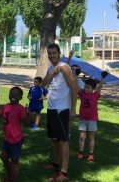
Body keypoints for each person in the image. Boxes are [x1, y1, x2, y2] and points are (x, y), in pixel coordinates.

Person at [41, 43, 78, 182]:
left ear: (59, 53)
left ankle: (64, 172)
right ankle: (56, 163)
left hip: (61, 109)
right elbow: (43, 84)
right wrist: (52, 74)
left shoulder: (64, 67)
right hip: (51, 108)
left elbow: (74, 89)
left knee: (63, 140)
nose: (51, 56)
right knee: (55, 139)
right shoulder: (51, 68)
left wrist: (73, 109)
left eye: (54, 53)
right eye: (49, 53)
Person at [0, 87, 30, 182]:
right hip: (7, 139)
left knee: (14, 163)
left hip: (16, 140)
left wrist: (28, 114)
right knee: (4, 157)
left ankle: (13, 179)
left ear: (21, 98)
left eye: (16, 95)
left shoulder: (20, 109)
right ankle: (10, 176)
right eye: (11, 93)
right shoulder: (6, 106)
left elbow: (26, 124)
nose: (13, 96)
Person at [77, 71, 108, 161]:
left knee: (91, 137)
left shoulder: (95, 95)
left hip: (92, 119)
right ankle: (81, 152)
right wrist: (76, 76)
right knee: (82, 137)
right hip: (83, 119)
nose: (86, 89)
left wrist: (103, 78)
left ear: (93, 89)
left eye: (88, 87)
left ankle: (91, 154)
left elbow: (100, 87)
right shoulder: (82, 94)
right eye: (85, 87)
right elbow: (77, 85)